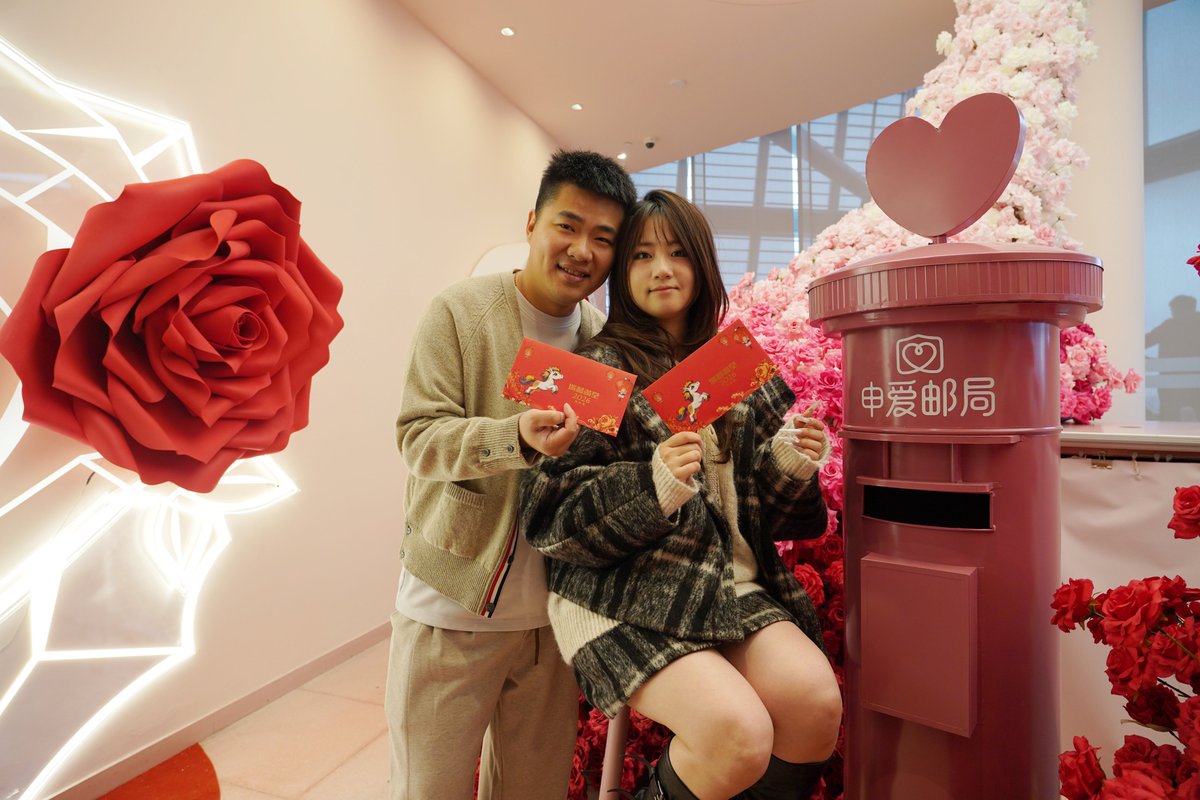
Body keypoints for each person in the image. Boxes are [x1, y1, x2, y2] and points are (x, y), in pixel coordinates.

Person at [521, 190, 842, 800]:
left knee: (815, 703)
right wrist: (653, 486)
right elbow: (552, 516)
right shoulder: (595, 371)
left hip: (724, 583)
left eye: (676, 253)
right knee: (735, 734)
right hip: (620, 592)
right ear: (622, 274)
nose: (661, 269)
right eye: (641, 256)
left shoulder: (735, 364)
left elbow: (769, 519)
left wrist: (788, 462)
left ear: (702, 264)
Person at [389, 149, 637, 800]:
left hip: (550, 628)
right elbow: (418, 437)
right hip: (453, 612)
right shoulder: (460, 313)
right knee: (427, 790)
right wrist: (514, 436)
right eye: (569, 224)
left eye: (603, 238)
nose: (582, 249)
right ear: (532, 222)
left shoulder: (602, 344)